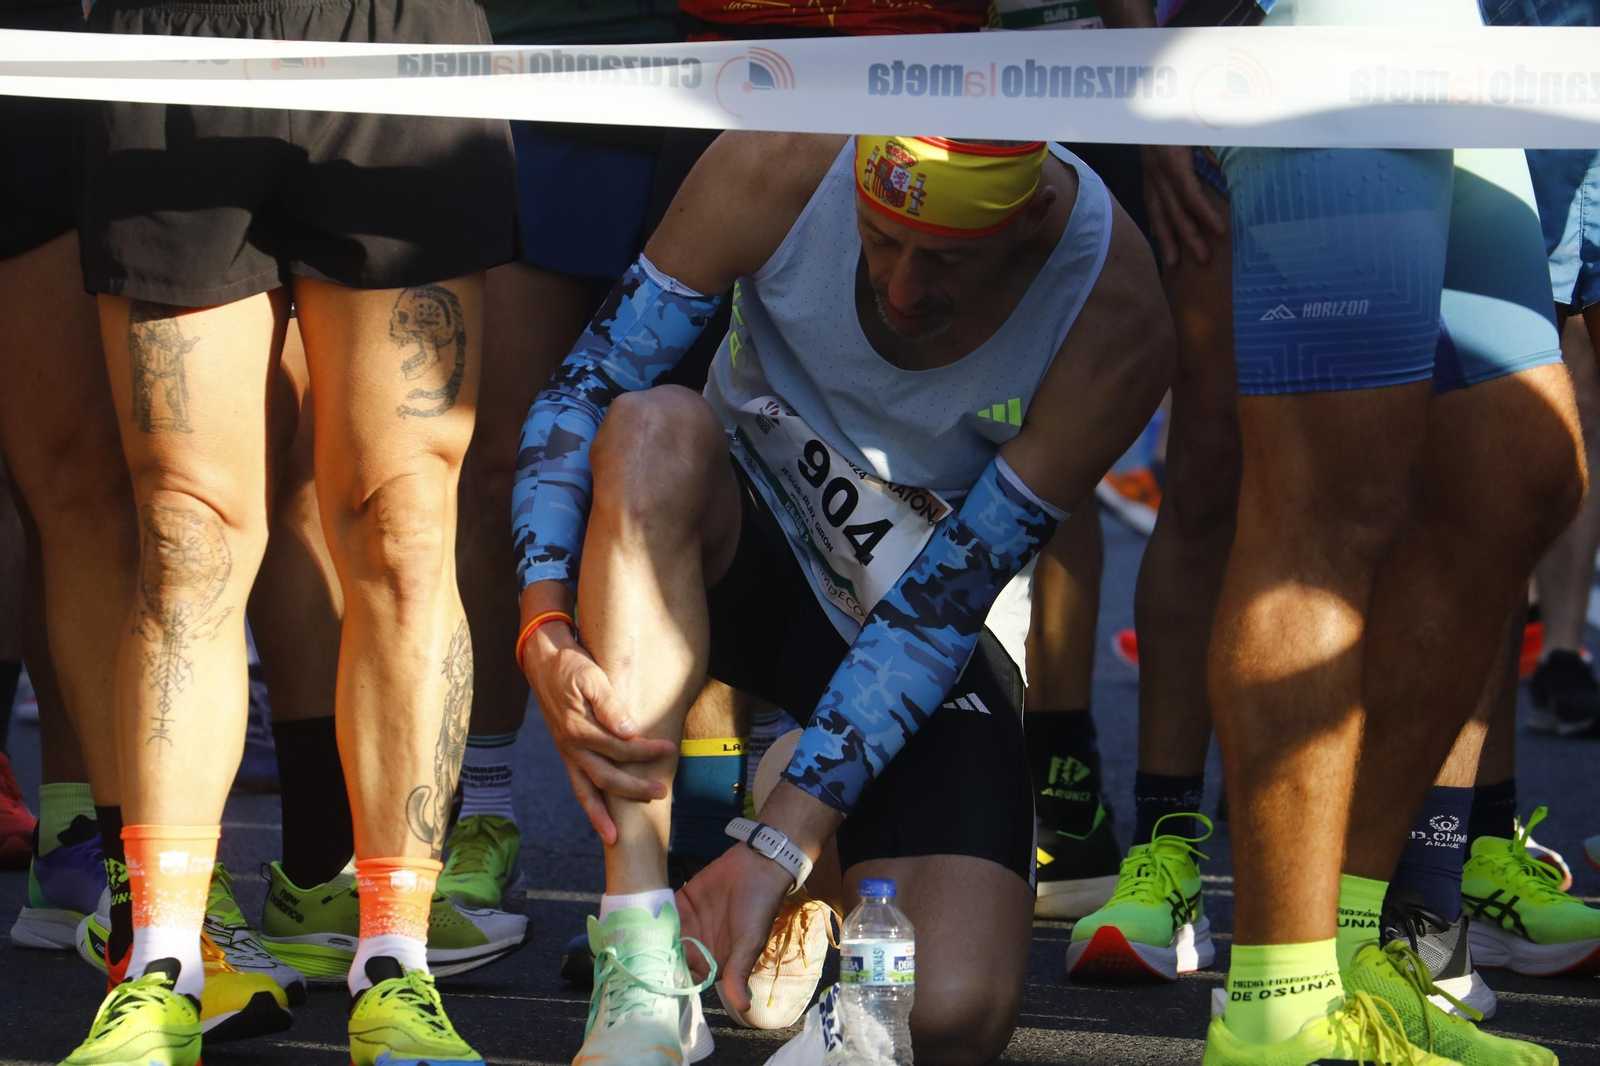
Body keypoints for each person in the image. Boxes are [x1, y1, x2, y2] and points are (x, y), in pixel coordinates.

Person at [515, 131, 1171, 1064]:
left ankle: (808, 836)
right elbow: (581, 390)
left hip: (907, 625)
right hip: (731, 541)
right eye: (878, 239)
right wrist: (543, 618)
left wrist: (781, 844)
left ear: (1026, 225)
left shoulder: (1115, 309)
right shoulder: (783, 158)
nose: (901, 290)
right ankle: (640, 954)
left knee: (949, 1014)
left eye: (944, 260)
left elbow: (943, 605)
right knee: (649, 428)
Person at [55, 0, 519, 1061]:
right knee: (186, 532)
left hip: (398, 45)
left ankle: (394, 966)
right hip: (173, 42)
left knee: (405, 526)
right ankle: (162, 958)